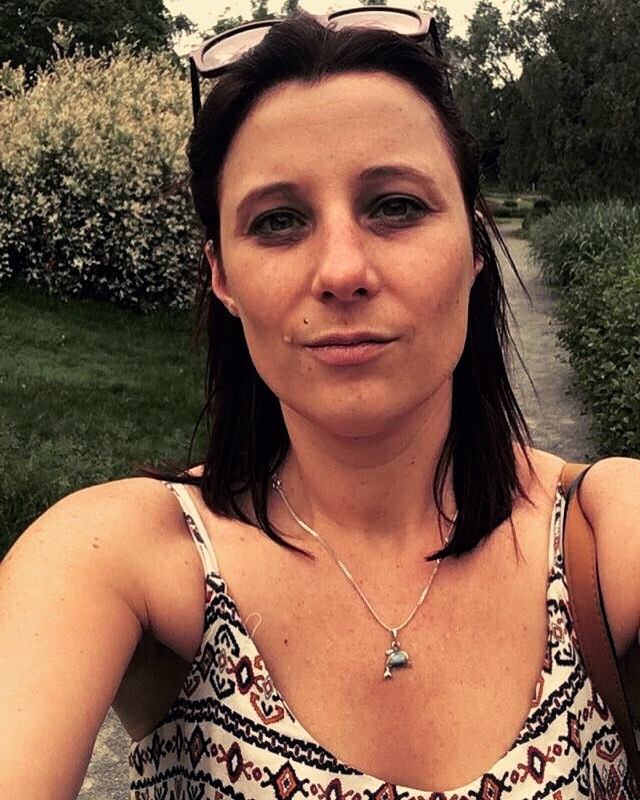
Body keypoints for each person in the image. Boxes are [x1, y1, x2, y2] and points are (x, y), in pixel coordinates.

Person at [1, 8, 639, 800]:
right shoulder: (121, 558)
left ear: (475, 248)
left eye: (396, 206)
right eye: (278, 221)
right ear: (222, 276)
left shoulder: (602, 540)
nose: (341, 271)